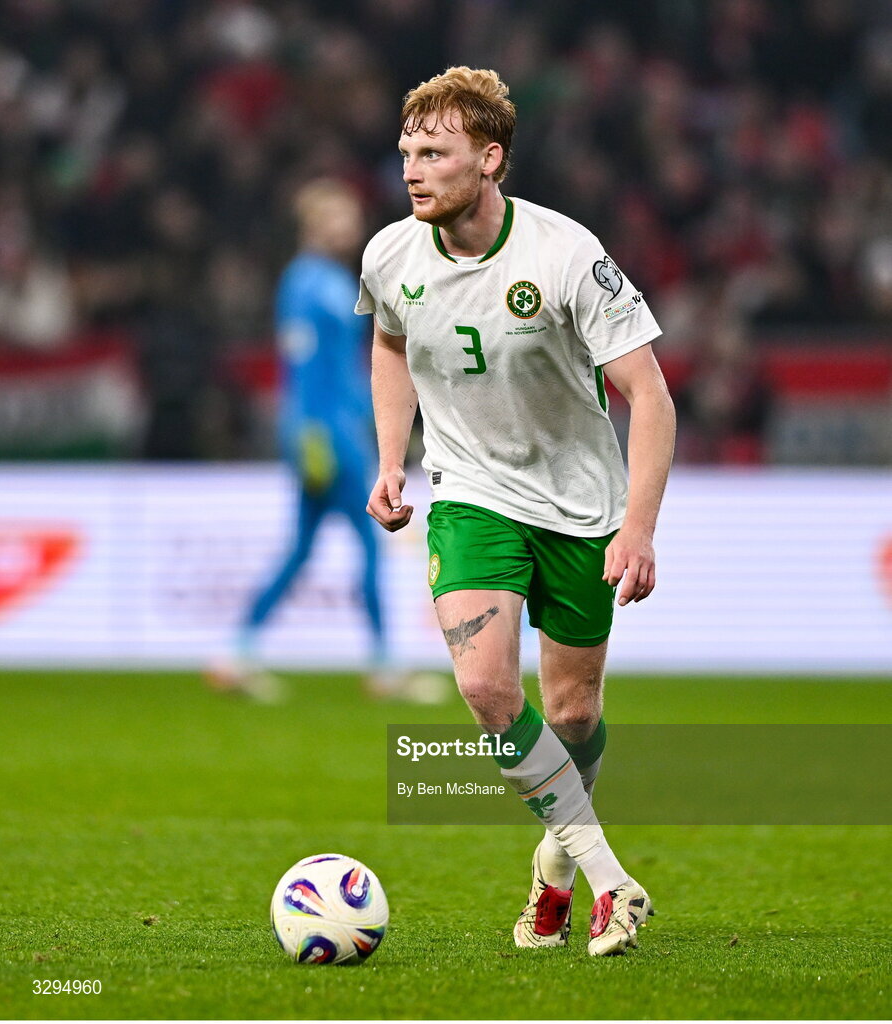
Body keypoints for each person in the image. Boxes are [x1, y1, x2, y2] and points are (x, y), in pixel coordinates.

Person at [356, 67, 676, 956]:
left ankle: (558, 866)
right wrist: (392, 456)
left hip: (579, 507)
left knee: (571, 717)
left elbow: (650, 396)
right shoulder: (390, 255)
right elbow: (390, 342)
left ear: (490, 159)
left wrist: (638, 527)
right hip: (470, 494)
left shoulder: (565, 255)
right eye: (407, 152)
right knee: (487, 689)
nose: (412, 170)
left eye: (435, 153)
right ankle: (613, 882)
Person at [211, 179, 390, 701]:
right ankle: (383, 668)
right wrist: (311, 436)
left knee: (302, 550)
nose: (352, 226)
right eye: (342, 217)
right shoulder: (309, 283)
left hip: (334, 427)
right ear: (317, 223)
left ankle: (238, 653)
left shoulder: (328, 280)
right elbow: (305, 367)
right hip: (329, 434)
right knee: (368, 543)